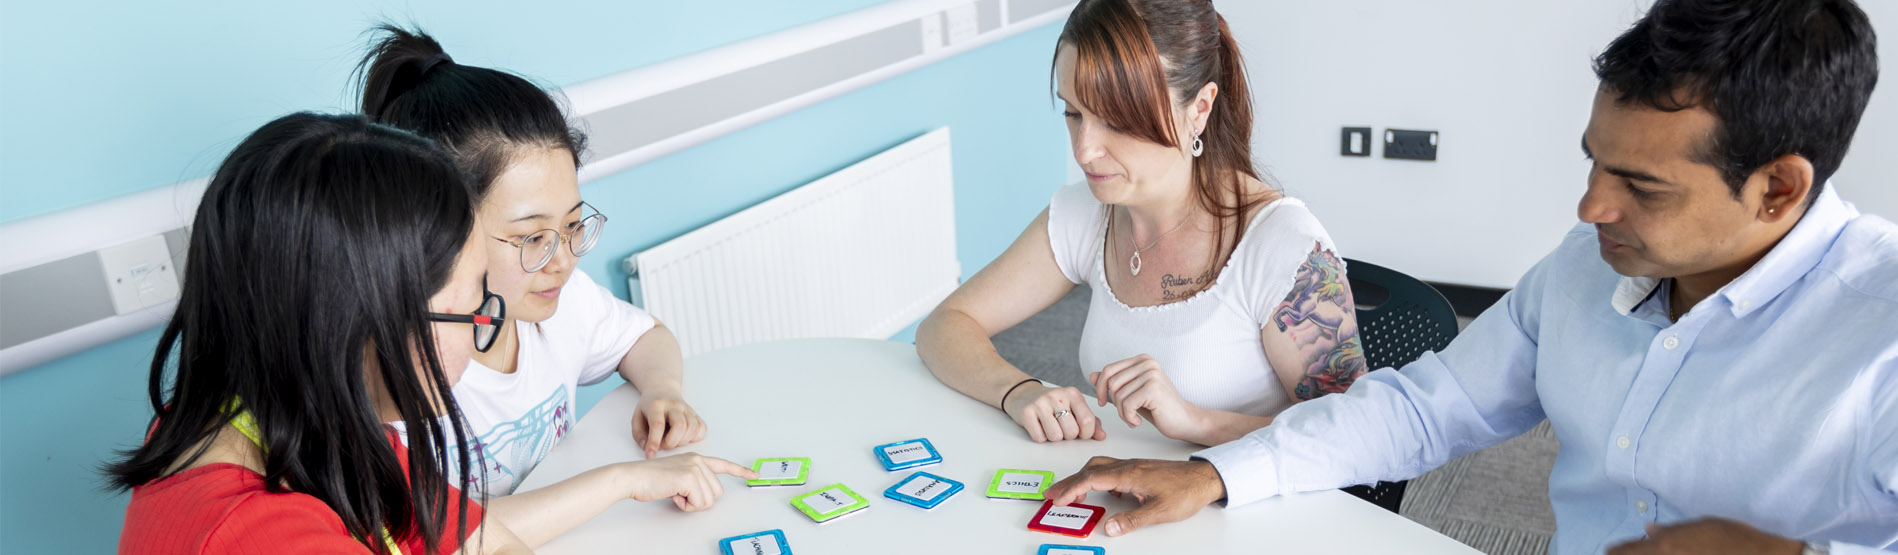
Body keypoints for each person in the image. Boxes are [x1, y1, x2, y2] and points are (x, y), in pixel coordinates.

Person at [1042, 0, 1897, 553]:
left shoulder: (1880, 335)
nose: (1589, 206)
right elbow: (1425, 409)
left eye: (1640, 186)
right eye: (1595, 162)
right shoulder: (1576, 273)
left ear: (1778, 188)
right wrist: (1218, 470)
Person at [357, 26, 754, 548]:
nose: (562, 261)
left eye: (571, 227)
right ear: (439, 232)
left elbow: (644, 335)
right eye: (532, 237)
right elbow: (449, 537)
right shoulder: (395, 378)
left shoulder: (556, 301)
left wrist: (663, 390)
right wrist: (624, 480)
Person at [917, 0, 1369, 450]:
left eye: (1117, 122)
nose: (1084, 150)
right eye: (1073, 114)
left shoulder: (1282, 245)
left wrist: (1197, 422)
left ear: (1200, 108)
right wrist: (1019, 391)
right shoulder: (1089, 213)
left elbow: (1353, 435)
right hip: (1123, 497)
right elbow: (944, 325)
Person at [109, 112, 529, 554]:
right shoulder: (261, 534)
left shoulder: (309, 419)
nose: (481, 330)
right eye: (469, 313)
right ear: (362, 331)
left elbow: (482, 541)